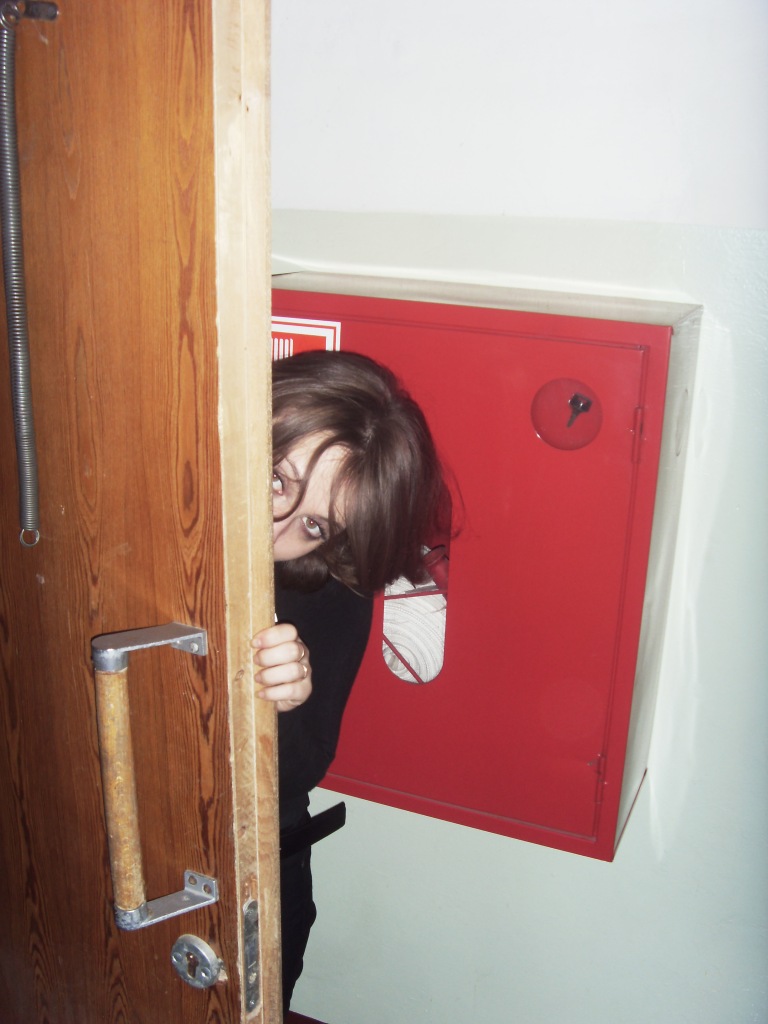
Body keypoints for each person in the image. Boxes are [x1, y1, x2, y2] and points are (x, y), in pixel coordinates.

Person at [248, 350, 448, 1011]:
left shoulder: (330, 589)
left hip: (253, 867)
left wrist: (285, 703)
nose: (273, 528)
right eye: (275, 478)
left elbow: (300, 770)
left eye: (313, 524)